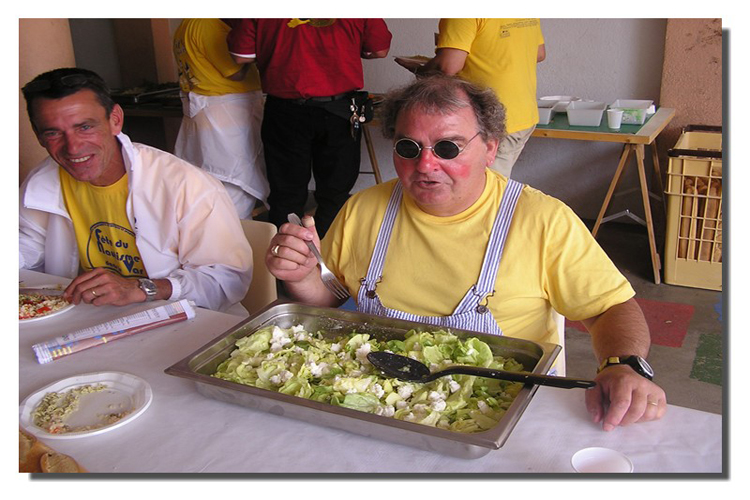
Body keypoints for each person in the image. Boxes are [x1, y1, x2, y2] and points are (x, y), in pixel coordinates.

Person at [266, 75, 667, 432]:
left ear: (490, 149)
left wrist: (623, 365)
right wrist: (303, 277)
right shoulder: (364, 209)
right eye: (408, 147)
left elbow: (610, 307)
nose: (426, 164)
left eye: (447, 147)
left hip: (500, 410)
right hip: (377, 401)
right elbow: (333, 301)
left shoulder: (543, 220)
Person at [19, 68, 253, 315]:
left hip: (192, 322)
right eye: (53, 133)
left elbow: (226, 281)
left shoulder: (186, 184)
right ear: (38, 136)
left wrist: (142, 289)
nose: (73, 147)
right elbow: (30, 243)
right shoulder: (43, 180)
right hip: (94, 317)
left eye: (85, 127)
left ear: (115, 120)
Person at [227, 18, 392, 238]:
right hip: (339, 111)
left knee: (285, 193)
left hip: (285, 110)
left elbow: (241, 56)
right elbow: (379, 50)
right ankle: (329, 253)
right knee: (336, 193)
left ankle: (286, 256)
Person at [396, 18, 545, 179]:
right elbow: (539, 53)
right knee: (493, 182)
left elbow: (447, 67)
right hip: (524, 113)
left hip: (490, 118)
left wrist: (420, 70)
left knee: (482, 188)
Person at [172, 18, 270, 219]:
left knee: (211, 186)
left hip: (205, 113)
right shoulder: (208, 25)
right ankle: (233, 235)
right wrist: (253, 51)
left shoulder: (185, 25)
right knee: (235, 187)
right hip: (226, 116)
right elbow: (235, 72)